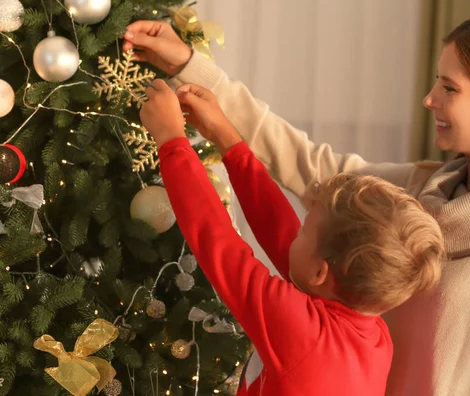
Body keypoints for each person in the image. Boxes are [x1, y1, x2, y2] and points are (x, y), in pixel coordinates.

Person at [125, 11, 470, 395]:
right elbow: (304, 175)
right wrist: (191, 66)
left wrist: (171, 142)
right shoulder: (413, 195)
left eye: (450, 88)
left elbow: (223, 246)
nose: (428, 99)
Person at [139, 79, 445, 395]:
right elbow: (278, 228)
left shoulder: (305, 334)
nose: (293, 234)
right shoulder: (370, 330)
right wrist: (226, 138)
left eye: (304, 230)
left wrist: (172, 141)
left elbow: (219, 244)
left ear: (320, 272)